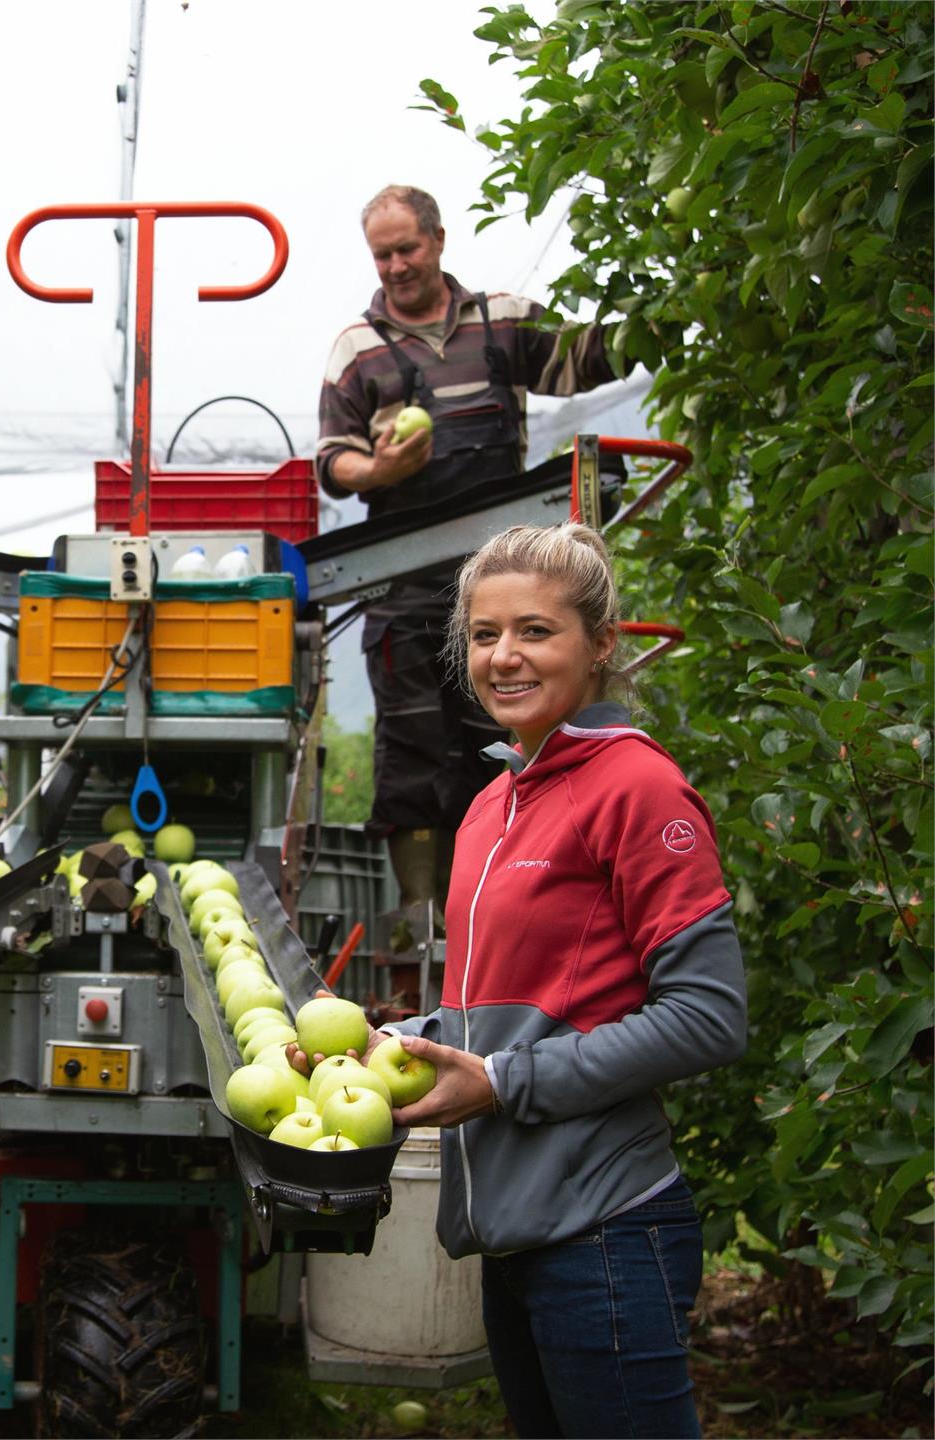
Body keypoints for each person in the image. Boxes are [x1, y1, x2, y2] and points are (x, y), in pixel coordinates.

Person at [293, 523, 748, 1439]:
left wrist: (501, 1082)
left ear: (602, 644)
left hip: (606, 1226)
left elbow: (709, 1016)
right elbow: (506, 1003)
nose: (505, 656)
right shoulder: (493, 804)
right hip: (514, 1228)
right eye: (485, 634)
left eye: (536, 631)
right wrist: (391, 1045)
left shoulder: (637, 789)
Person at [316, 184, 632, 910]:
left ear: (438, 239)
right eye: (381, 254)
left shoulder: (502, 321)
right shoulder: (356, 350)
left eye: (407, 248)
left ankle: (502, 900)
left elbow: (582, 361)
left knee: (499, 734)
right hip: (403, 582)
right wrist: (381, 469)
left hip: (502, 582)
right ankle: (421, 919)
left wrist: (662, 312)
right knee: (412, 744)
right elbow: (334, 462)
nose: (395, 266)